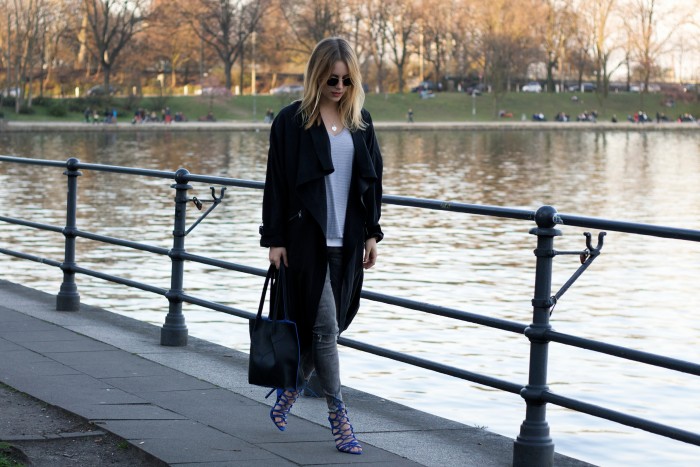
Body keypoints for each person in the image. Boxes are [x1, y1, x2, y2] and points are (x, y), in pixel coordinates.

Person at [259, 37, 383, 456]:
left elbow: (372, 184)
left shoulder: (360, 122)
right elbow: (275, 182)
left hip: (346, 243)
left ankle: (289, 392)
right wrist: (273, 239)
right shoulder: (292, 122)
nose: (339, 87)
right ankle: (340, 418)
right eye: (332, 79)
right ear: (317, 76)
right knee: (327, 330)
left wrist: (371, 233)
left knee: (328, 327)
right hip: (304, 242)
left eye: (347, 81)